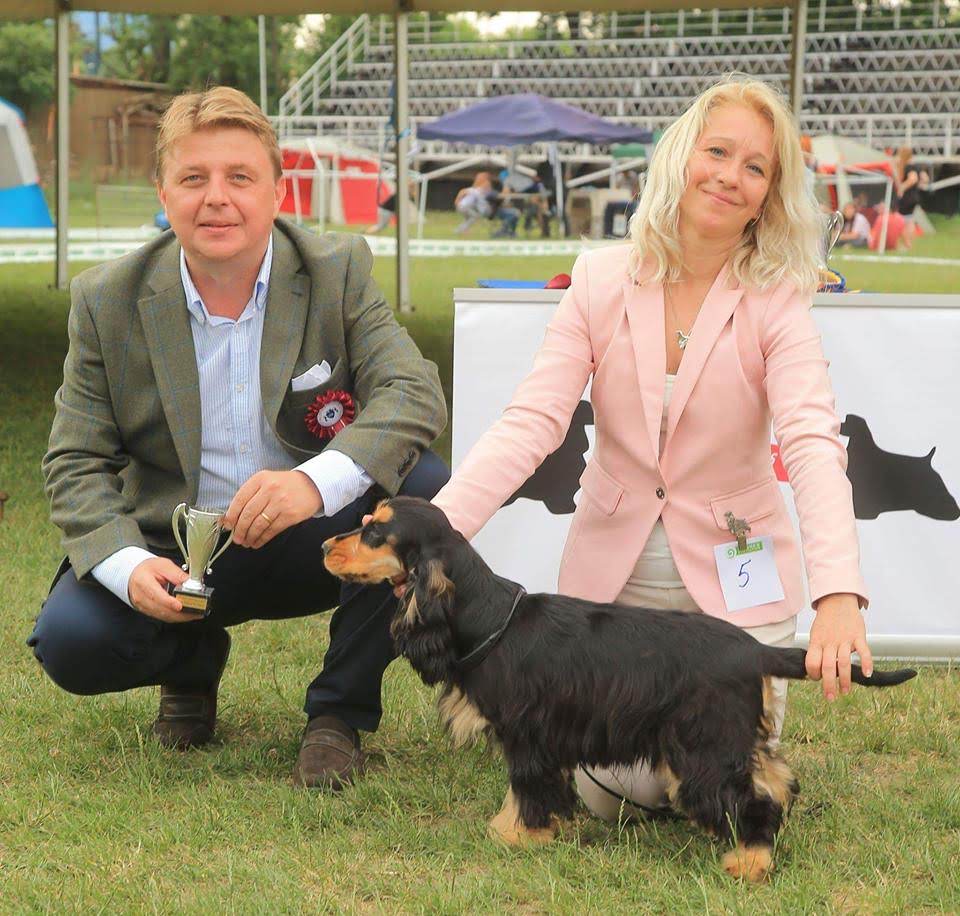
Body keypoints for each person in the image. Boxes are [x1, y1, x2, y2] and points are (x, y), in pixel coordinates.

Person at [431, 77, 874, 819]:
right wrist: (435, 534)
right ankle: (747, 771)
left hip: (738, 590)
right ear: (682, 156)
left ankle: (749, 766)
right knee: (620, 796)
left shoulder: (779, 298)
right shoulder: (601, 276)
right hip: (615, 590)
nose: (731, 176)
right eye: (719, 151)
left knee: (707, 774)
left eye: (756, 167)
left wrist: (838, 595)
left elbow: (810, 442)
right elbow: (532, 422)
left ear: (770, 194)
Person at [28, 86, 449, 790]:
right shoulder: (107, 299)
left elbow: (413, 393)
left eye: (239, 177)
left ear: (279, 192)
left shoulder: (336, 271)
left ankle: (338, 715)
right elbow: (75, 460)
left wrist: (313, 481)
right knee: (72, 643)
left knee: (426, 492)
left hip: (310, 535)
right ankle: (192, 663)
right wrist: (127, 564)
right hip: (176, 550)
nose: (216, 198)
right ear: (164, 193)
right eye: (193, 178)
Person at [894, 146, 929, 249]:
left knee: (902, 220)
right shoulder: (916, 166)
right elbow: (925, 178)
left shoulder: (908, 166)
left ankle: (906, 243)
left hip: (907, 197)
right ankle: (909, 243)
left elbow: (913, 179)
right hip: (914, 196)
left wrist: (902, 188)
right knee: (910, 220)